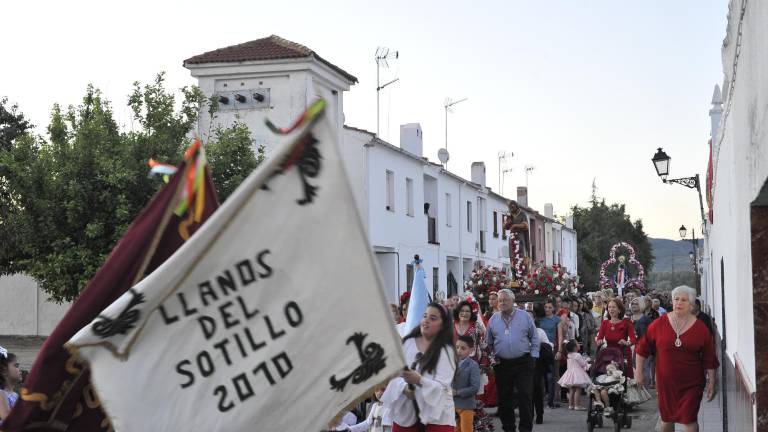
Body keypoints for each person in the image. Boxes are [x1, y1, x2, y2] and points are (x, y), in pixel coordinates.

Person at [635, 286, 718, 432]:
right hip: (666, 384)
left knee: (689, 419)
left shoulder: (700, 328)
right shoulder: (659, 324)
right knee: (666, 420)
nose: (679, 303)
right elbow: (641, 349)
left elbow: (709, 357)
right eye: (676, 299)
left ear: (691, 305)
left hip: (692, 383)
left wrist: (712, 382)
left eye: (684, 300)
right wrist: (639, 373)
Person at [382, 302, 456, 431]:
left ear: (442, 325)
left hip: (437, 416)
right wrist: (405, 388)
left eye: (433, 318)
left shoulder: (446, 351)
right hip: (406, 413)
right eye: (425, 316)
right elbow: (393, 375)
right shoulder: (408, 343)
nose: (426, 321)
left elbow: (443, 388)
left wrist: (419, 381)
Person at [485, 289, 539, 432]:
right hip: (502, 364)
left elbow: (534, 337)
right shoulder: (493, 319)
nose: (502, 303)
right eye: (500, 300)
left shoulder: (525, 317)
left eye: (505, 300)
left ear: (513, 301)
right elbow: (488, 343)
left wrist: (534, 357)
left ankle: (525, 429)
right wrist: (492, 360)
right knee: (504, 399)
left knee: (525, 397)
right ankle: (508, 428)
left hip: (523, 362)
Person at [452, 301, 493, 432]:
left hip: (472, 368)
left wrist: (482, 365)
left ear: (472, 313)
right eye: (462, 310)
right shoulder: (451, 326)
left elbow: (485, 347)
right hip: (453, 367)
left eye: (468, 311)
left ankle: (477, 427)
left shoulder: (476, 327)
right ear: (458, 312)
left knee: (470, 401)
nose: (464, 313)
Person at [595, 298, 636, 378]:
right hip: (609, 355)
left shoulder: (626, 322)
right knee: (610, 379)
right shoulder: (605, 323)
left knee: (624, 379)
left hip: (623, 354)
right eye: (609, 307)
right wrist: (599, 341)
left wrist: (627, 343)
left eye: (614, 307)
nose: (611, 309)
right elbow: (599, 338)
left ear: (619, 310)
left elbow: (633, 339)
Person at [453, 335, 481, 432]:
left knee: (466, 430)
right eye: (457, 347)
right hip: (451, 405)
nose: (459, 350)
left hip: (466, 406)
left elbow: (475, 387)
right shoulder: (451, 362)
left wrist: (457, 392)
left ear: (471, 350)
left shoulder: (473, 365)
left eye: (463, 348)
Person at [556, 340, 590, 410]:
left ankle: (571, 405)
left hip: (570, 373)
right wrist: (587, 361)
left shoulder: (569, 355)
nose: (579, 345)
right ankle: (577, 405)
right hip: (577, 374)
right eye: (577, 344)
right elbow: (582, 363)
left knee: (571, 389)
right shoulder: (578, 355)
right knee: (578, 389)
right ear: (575, 347)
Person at [504, 200, 529, 280]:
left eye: (512, 207)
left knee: (520, 257)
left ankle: (521, 275)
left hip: (520, 237)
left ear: (516, 206)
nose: (511, 209)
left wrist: (515, 225)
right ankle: (514, 276)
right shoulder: (510, 215)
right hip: (512, 239)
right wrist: (508, 221)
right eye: (509, 208)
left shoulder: (522, 214)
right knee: (512, 258)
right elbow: (505, 227)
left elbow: (525, 225)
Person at [0, 347, 21, 426]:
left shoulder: (16, 395)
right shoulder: (1, 394)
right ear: (3, 370)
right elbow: (7, 418)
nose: (19, 370)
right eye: (16, 365)